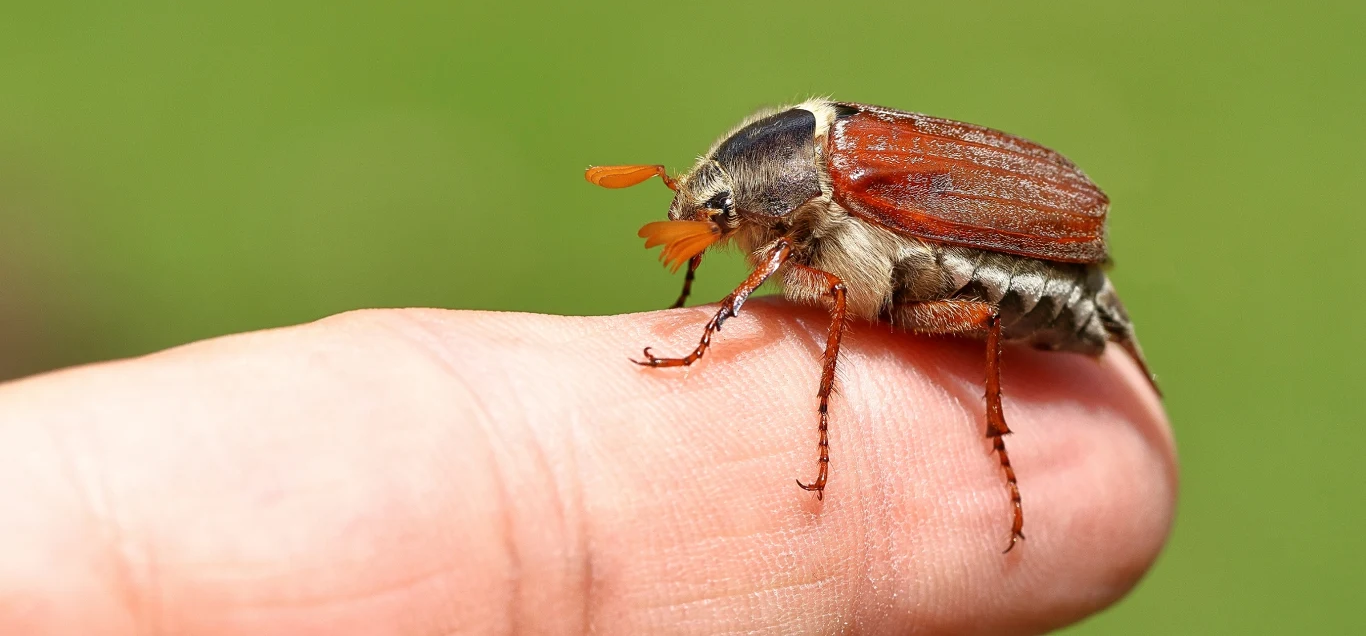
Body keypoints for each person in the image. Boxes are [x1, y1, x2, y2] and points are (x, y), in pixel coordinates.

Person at [0, 300, 1175, 634]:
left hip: (1031, 274)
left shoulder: (836, 208)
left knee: (911, 324)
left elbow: (793, 286)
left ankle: (1001, 458)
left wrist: (721, 320)